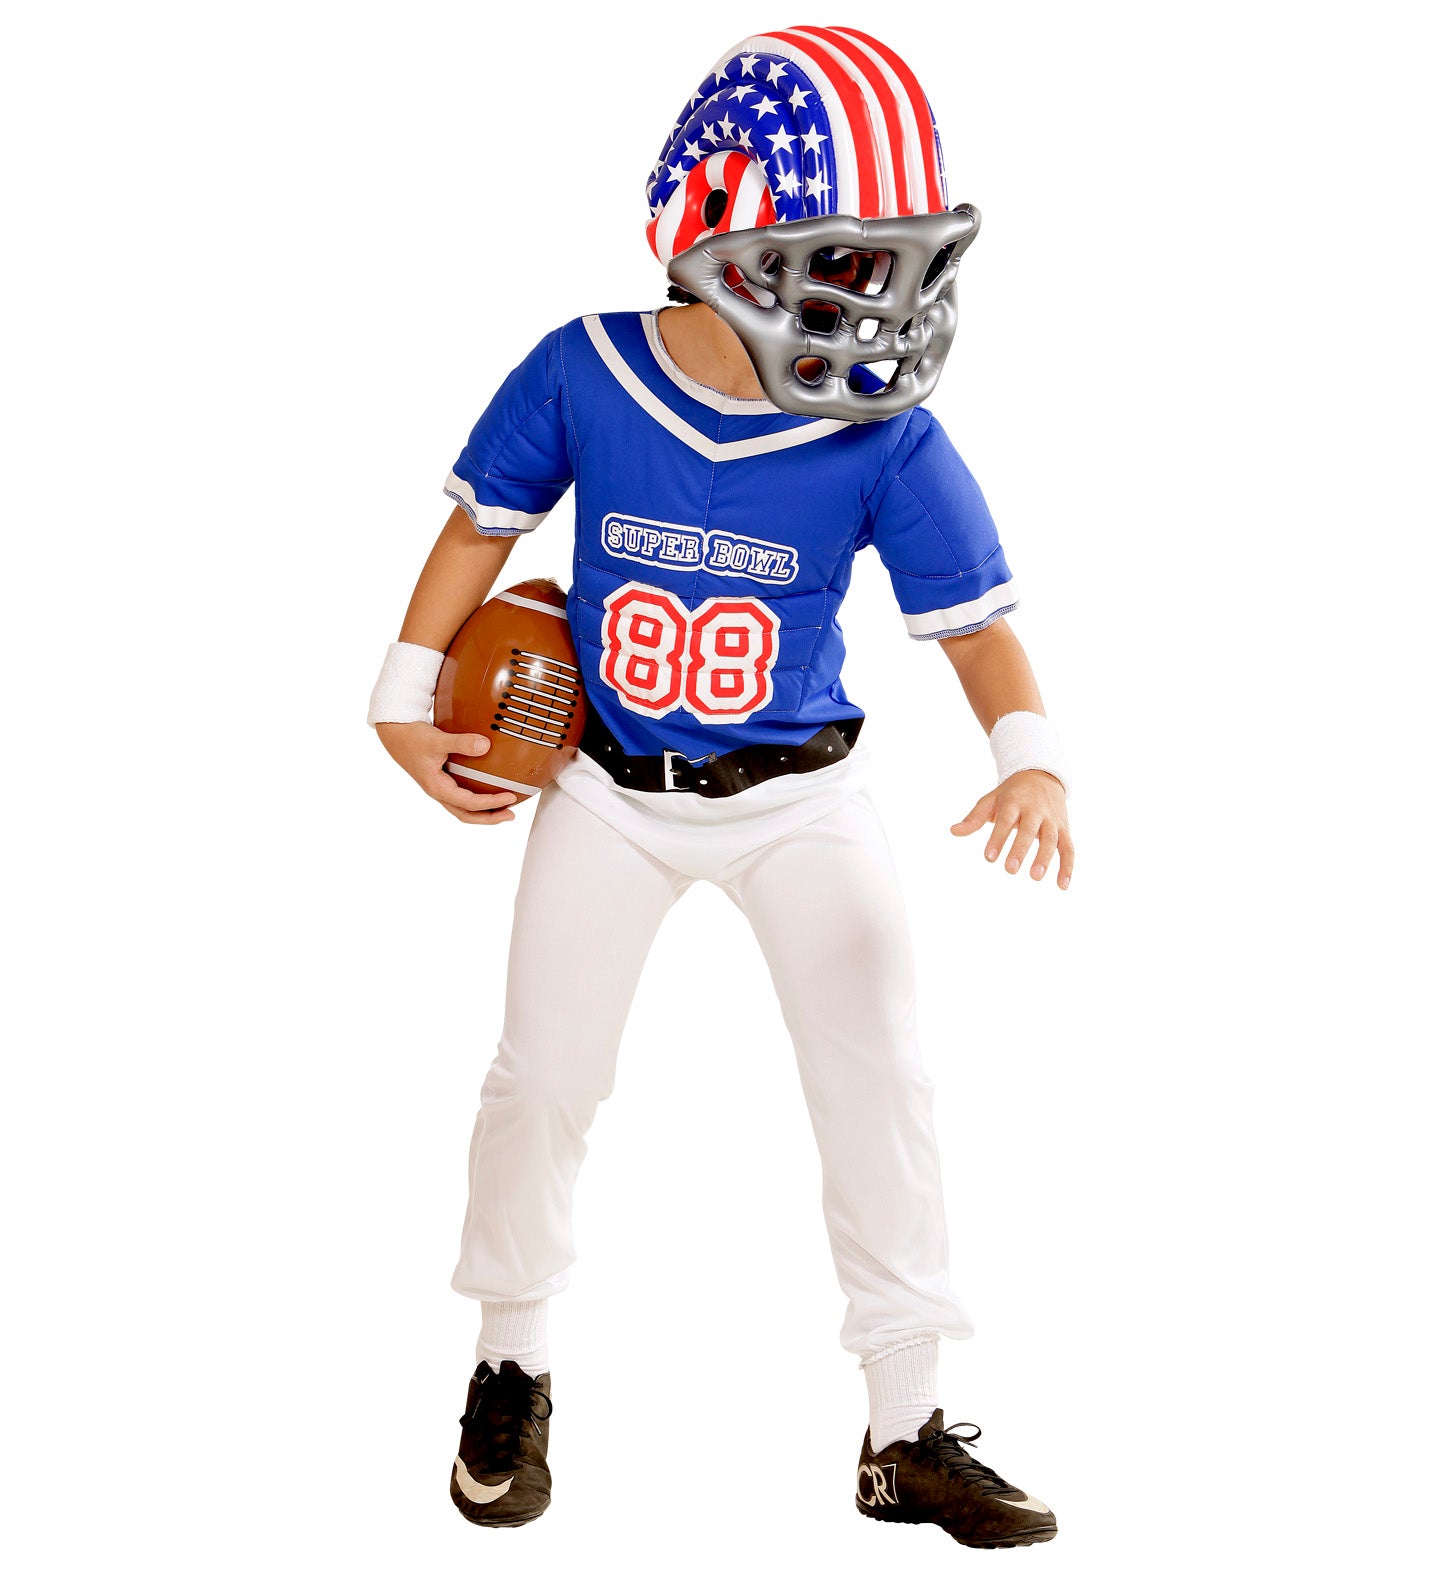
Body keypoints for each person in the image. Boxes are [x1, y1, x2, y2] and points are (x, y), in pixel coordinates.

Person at [368, 26, 1071, 1551]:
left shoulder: (884, 432)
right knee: (542, 1079)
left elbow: (976, 627)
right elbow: (483, 527)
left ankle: (903, 1427)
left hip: (800, 796)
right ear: (709, 233)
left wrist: (1028, 758)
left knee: (879, 1079)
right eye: (842, 258)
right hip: (609, 791)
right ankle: (509, 1361)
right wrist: (400, 691)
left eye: (897, 264)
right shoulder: (584, 367)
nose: (875, 301)